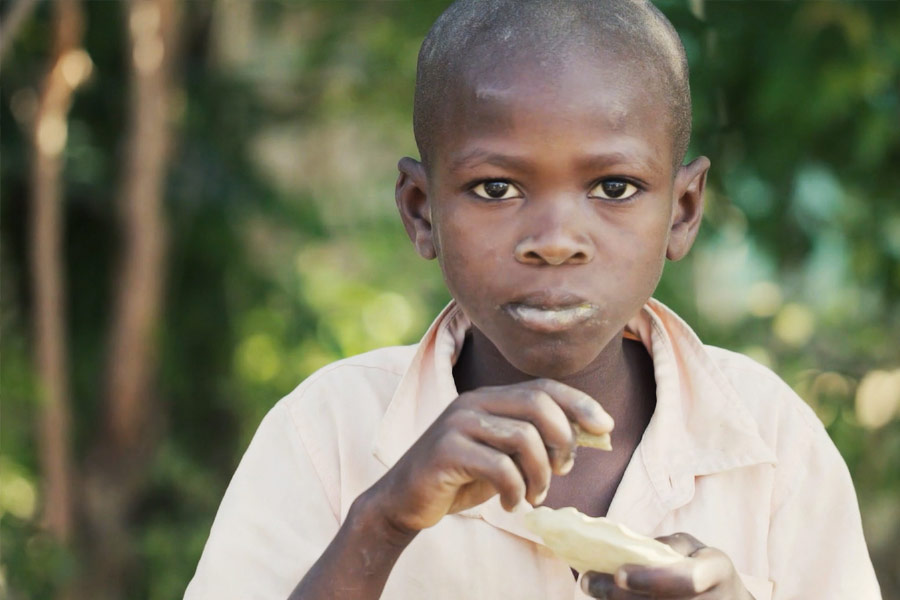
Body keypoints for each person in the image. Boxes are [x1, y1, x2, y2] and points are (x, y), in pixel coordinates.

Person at [184, 1, 881, 598]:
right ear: (422, 210)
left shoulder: (770, 447)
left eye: (613, 188)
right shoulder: (328, 433)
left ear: (684, 209)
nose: (554, 241)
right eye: (496, 189)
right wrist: (385, 521)